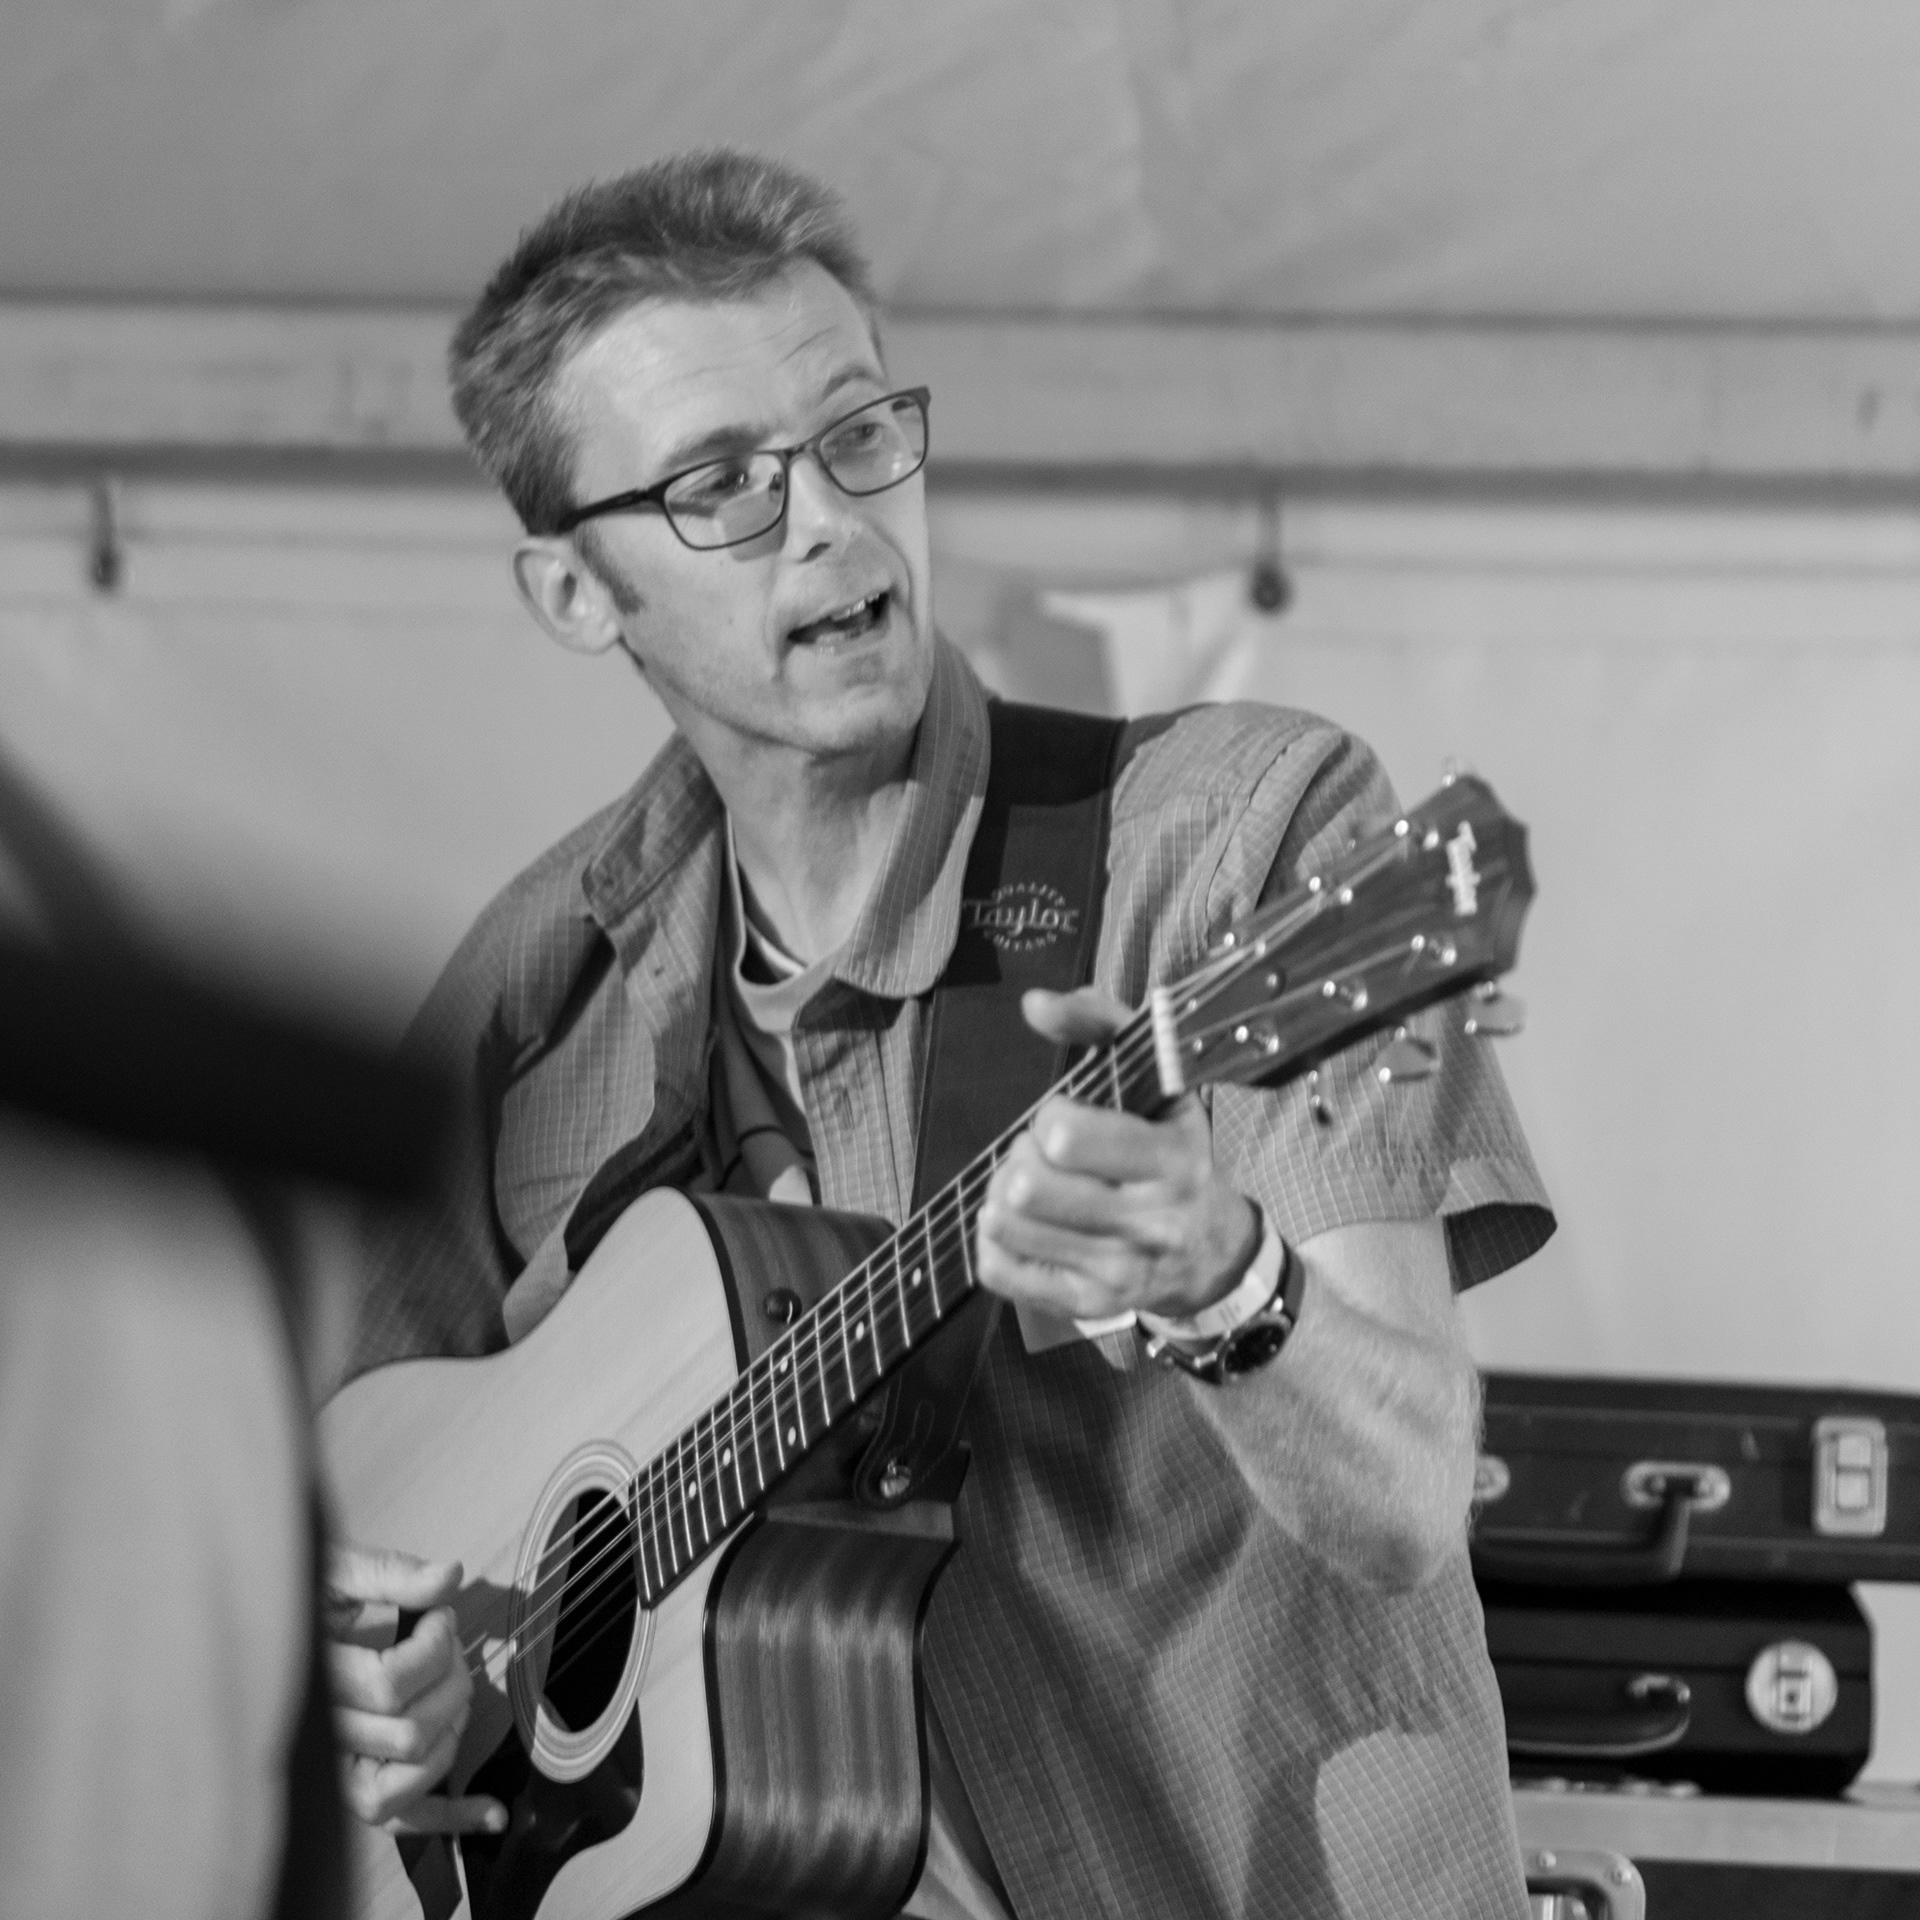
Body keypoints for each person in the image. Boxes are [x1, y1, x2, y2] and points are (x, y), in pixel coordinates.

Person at [330, 151, 1555, 1918]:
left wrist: (1226, 1283)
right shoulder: (541, 988)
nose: (829, 520)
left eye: (857, 435)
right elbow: (330, 1493)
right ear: (576, 595)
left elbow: (1405, 1501)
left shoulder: (1239, 844)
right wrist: (397, 1668)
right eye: (720, 486)